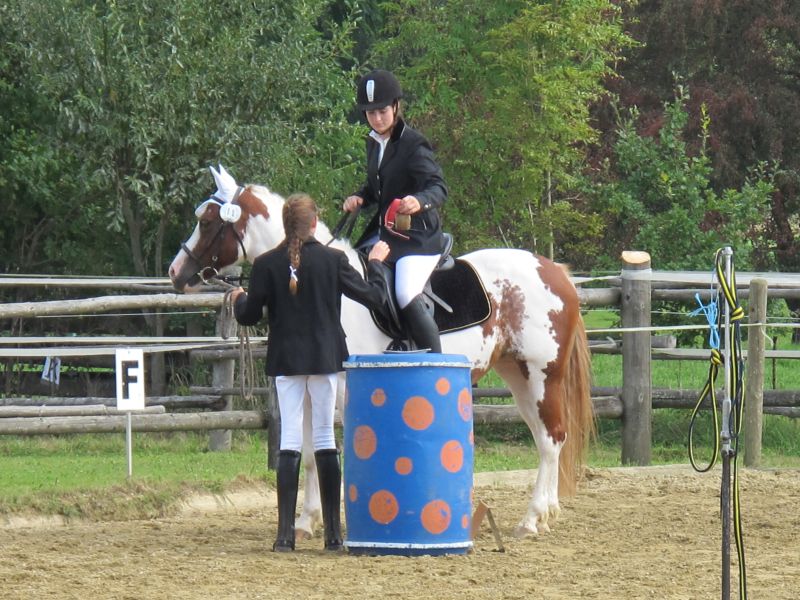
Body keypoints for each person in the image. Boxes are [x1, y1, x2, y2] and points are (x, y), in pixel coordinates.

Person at [229, 193, 390, 552]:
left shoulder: (266, 264)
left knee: (290, 438)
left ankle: (284, 536)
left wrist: (238, 298)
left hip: (286, 361)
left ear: (286, 225)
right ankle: (333, 535)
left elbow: (249, 316)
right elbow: (374, 297)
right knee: (324, 437)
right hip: (324, 359)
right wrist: (377, 264)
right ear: (315, 223)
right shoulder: (334, 260)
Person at [343, 69, 448, 353]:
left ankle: (436, 361)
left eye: (382, 111)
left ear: (395, 106)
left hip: (417, 239)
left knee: (405, 292)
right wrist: (360, 197)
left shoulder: (413, 143)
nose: (377, 119)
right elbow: (378, 185)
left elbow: (438, 187)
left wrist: (419, 201)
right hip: (387, 236)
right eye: (371, 113)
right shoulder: (374, 143)